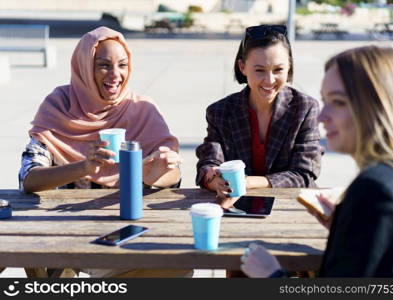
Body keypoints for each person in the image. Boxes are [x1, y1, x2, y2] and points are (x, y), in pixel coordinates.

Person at [18, 26, 190, 277]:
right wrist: (83, 168)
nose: (116, 75)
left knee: (177, 265)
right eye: (103, 65)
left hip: (126, 230)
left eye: (122, 65)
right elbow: (29, 179)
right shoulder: (59, 104)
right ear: (84, 67)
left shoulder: (141, 109)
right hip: (65, 230)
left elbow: (172, 175)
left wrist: (153, 175)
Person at [240, 45, 393, 277]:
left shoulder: (375, 191)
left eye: (339, 102)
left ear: (377, 107)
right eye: (325, 100)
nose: (322, 116)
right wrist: (346, 230)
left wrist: (272, 275)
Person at [195, 25, 322, 200]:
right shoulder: (220, 111)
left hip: (292, 206)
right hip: (234, 206)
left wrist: (248, 182)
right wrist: (213, 179)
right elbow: (208, 163)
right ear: (242, 67)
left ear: (289, 67)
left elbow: (305, 174)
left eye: (278, 70)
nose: (269, 80)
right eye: (259, 70)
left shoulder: (305, 108)